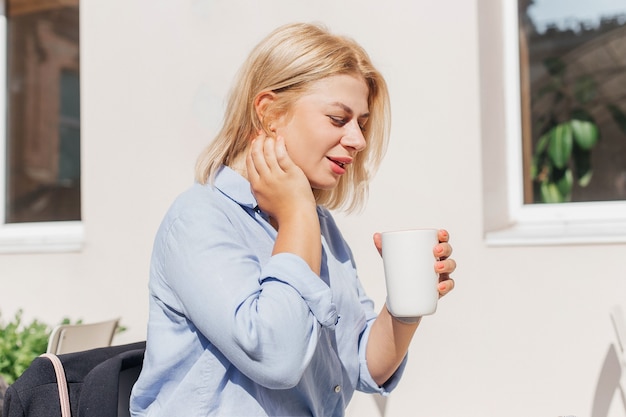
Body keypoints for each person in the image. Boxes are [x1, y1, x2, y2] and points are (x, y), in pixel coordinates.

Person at [129, 22, 456, 417]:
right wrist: (298, 214)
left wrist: (406, 305)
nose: (358, 140)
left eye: (363, 123)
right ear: (270, 113)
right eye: (339, 119)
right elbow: (276, 357)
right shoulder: (200, 219)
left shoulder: (317, 225)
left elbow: (360, 365)